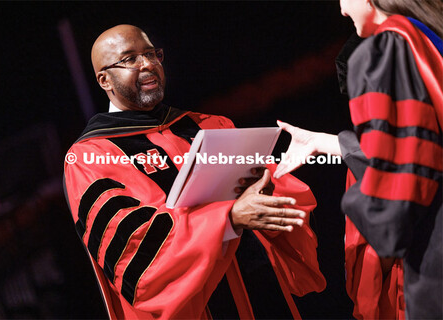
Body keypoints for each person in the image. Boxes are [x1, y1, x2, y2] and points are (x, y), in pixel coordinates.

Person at [63, 24, 326, 319]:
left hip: (264, 296)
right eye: (130, 59)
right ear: (104, 79)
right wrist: (228, 217)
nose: (148, 64)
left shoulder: (211, 125)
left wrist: (266, 191)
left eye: (151, 54)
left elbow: (287, 194)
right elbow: (132, 247)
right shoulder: (91, 156)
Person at [273, 0, 442, 319]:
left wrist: (371, 219)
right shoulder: (428, 39)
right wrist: (325, 142)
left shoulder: (384, 49)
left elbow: (404, 169)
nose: (341, 10)